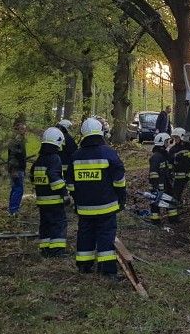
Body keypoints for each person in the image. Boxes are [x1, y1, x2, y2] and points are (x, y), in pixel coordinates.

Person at [65, 117, 127, 280]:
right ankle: (107, 270)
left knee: (85, 233)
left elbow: (70, 183)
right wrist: (122, 199)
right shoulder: (108, 153)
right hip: (106, 206)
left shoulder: (76, 156)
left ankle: (84, 265)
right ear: (101, 133)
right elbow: (119, 180)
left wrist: (76, 200)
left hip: (84, 207)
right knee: (106, 235)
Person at [30, 127, 69, 258]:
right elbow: (53, 176)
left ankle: (45, 249)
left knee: (45, 224)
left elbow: (32, 176)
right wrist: (64, 193)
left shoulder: (39, 159)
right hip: (54, 200)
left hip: (42, 199)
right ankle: (57, 251)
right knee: (58, 223)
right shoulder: (54, 158)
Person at [148, 133, 178, 223]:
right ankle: (155, 222)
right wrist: (157, 186)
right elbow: (153, 173)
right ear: (162, 142)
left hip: (166, 183)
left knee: (171, 201)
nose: (169, 143)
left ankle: (173, 220)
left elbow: (173, 162)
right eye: (167, 141)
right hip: (158, 186)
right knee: (155, 204)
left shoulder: (164, 154)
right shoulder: (156, 156)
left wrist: (170, 149)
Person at [167, 128, 190, 205]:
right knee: (176, 194)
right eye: (174, 137)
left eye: (176, 137)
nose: (175, 139)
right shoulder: (173, 150)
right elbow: (170, 163)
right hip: (180, 175)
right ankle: (177, 205)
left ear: (182, 136)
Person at [7, 119, 28, 216]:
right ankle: (14, 210)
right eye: (22, 129)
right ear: (17, 130)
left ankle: (12, 209)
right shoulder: (17, 141)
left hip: (18, 168)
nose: (24, 131)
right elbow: (13, 156)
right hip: (17, 168)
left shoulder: (16, 140)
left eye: (24, 129)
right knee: (18, 189)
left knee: (15, 188)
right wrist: (14, 170)